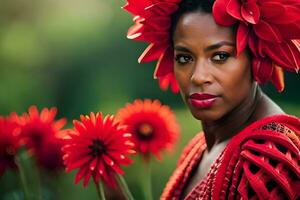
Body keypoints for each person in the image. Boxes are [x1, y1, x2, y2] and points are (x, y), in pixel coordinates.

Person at [123, 0, 300, 199]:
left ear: (257, 59)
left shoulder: (268, 160)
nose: (198, 77)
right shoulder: (199, 148)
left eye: (220, 56)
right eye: (184, 58)